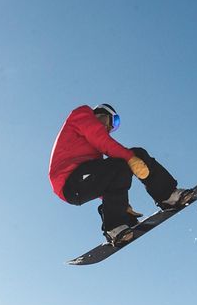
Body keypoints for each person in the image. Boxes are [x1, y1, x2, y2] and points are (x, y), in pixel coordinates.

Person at [48, 103, 189, 245]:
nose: (111, 128)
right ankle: (113, 227)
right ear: (101, 113)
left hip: (82, 180)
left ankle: (167, 196)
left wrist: (122, 206)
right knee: (126, 159)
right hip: (68, 181)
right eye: (113, 121)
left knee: (126, 162)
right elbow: (100, 138)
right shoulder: (82, 114)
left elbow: (105, 181)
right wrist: (130, 158)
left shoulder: (94, 153)